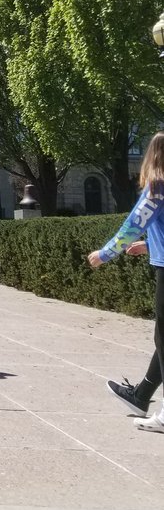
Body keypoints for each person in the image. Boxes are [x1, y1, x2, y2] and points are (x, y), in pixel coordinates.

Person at [89, 131, 164, 432]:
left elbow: (133, 224)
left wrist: (104, 254)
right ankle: (140, 396)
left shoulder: (157, 188)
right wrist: (150, 245)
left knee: (163, 339)